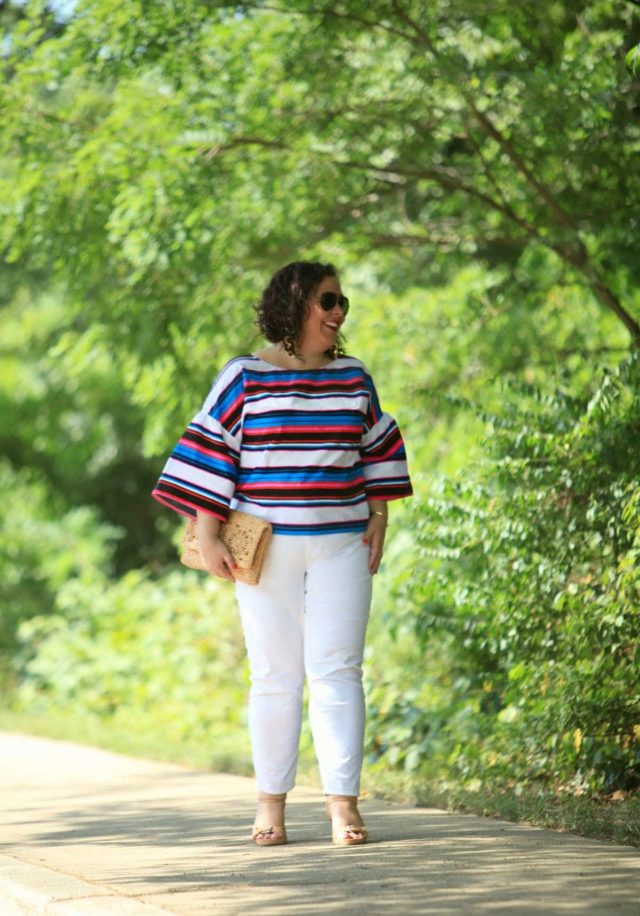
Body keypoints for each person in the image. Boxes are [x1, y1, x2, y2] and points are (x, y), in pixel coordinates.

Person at [151, 260, 412, 847]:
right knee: (274, 676)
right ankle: (270, 805)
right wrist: (208, 532)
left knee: (339, 672)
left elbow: (375, 449)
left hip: (343, 546)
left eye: (341, 300)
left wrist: (379, 515)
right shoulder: (243, 375)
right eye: (327, 300)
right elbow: (211, 449)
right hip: (266, 551)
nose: (338, 311)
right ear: (294, 304)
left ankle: (342, 806)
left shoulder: (353, 377)